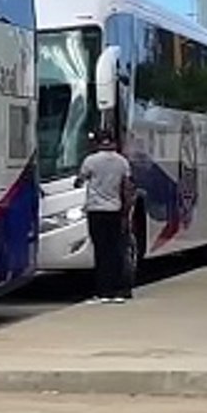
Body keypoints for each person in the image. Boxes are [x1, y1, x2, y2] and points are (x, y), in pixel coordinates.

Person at [74, 129, 134, 303]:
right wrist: (126, 211)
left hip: (96, 210)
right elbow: (127, 186)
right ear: (113, 142)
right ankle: (119, 291)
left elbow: (80, 180)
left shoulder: (91, 161)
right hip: (115, 210)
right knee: (116, 250)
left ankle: (103, 292)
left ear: (98, 142)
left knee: (101, 251)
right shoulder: (122, 162)